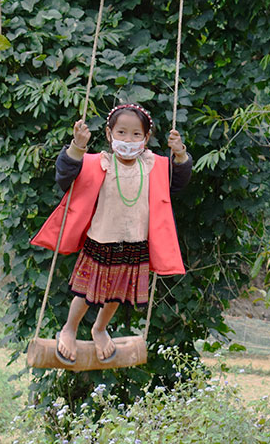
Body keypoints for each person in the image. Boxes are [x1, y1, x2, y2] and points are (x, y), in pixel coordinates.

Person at [31, 103, 192, 365]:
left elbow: (179, 182)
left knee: (117, 294)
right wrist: (77, 146)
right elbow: (64, 177)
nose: (128, 140)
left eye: (136, 134)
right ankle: (69, 329)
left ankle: (100, 328)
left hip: (135, 243)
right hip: (101, 240)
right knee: (85, 293)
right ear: (109, 134)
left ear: (146, 138)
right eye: (122, 133)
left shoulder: (154, 166)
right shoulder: (98, 162)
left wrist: (180, 154)